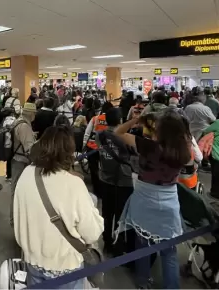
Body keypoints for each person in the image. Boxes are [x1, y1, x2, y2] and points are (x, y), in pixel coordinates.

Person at [13, 126, 103, 289]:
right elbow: (92, 233)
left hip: (32, 261)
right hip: (65, 267)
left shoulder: (26, 174)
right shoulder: (74, 184)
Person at [113, 110, 191, 289]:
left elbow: (118, 132)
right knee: (169, 251)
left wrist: (135, 120)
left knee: (143, 245)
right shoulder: (183, 151)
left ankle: (143, 281)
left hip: (144, 199)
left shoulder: (147, 146)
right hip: (169, 201)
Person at [96, 107, 135, 255]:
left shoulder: (100, 135)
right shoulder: (126, 137)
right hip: (124, 180)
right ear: (120, 120)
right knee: (121, 214)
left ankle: (107, 242)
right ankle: (118, 244)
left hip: (105, 177)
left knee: (107, 213)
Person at [10, 102, 37, 225]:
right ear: (31, 114)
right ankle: (15, 221)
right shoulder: (24, 126)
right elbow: (29, 149)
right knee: (17, 191)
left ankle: (15, 220)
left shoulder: (18, 121)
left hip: (16, 159)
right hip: (21, 162)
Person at [83, 101, 113, 198]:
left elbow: (87, 133)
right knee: (106, 169)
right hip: (106, 148)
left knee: (94, 169)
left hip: (92, 146)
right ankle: (106, 189)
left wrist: (84, 145)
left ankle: (97, 190)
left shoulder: (95, 118)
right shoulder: (112, 120)